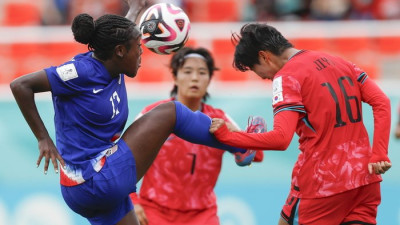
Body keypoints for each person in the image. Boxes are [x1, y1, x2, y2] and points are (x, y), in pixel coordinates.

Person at [8, 1, 256, 224]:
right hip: (97, 180)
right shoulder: (81, 71)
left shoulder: (111, 58)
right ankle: (241, 146)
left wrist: (136, 8)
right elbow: (21, 85)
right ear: (119, 51)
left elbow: (126, 31)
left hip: (83, 188)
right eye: (138, 47)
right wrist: (43, 138)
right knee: (170, 112)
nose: (142, 53)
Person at [209, 23, 392, 225]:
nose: (263, 77)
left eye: (256, 70)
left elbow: (280, 139)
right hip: (365, 180)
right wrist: (379, 153)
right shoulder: (338, 61)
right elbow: (382, 102)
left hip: (323, 185)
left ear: (264, 56)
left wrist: (229, 137)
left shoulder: (287, 77)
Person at [129, 47, 264, 225]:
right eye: (187, 71)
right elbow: (125, 159)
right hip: (153, 211)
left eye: (202, 73)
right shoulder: (153, 114)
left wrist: (236, 135)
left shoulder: (220, 118)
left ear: (209, 80)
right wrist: (133, 202)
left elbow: (257, 156)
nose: (194, 78)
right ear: (175, 77)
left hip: (202, 215)